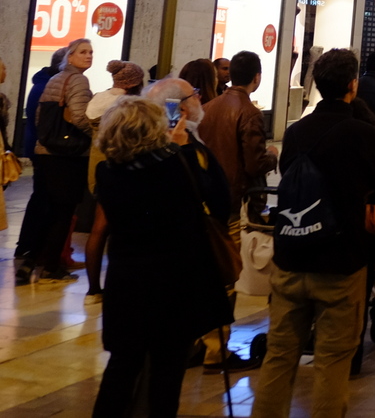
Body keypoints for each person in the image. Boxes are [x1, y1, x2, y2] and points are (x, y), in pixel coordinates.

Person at [253, 49, 375, 418]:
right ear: (353, 86)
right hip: (340, 261)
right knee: (332, 359)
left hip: (291, 256)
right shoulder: (363, 134)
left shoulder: (296, 132)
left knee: (279, 355)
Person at [86, 97, 233, 418]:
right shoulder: (176, 165)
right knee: (167, 371)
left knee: (122, 367)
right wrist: (184, 149)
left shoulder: (107, 172)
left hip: (126, 284)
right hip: (173, 284)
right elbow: (219, 201)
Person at [196, 50, 279, 371]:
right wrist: (272, 156)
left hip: (206, 201)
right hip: (235, 204)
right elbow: (254, 163)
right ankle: (216, 350)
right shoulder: (249, 112)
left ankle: (197, 343)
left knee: (205, 272)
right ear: (257, 78)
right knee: (227, 275)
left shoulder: (208, 108)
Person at [16, 36, 94, 284]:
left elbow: (40, 117)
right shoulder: (78, 80)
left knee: (49, 208)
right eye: (83, 52)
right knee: (64, 211)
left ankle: (31, 260)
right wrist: (96, 134)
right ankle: (51, 267)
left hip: (47, 151)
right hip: (68, 155)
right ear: (69, 57)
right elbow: (80, 117)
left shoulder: (55, 79)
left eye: (91, 52)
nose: (89, 56)